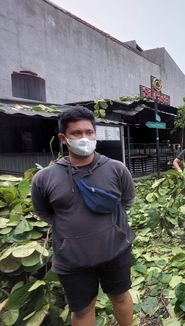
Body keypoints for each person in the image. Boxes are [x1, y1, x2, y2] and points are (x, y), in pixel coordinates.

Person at [31, 106, 135, 326]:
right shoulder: (44, 178)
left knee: (121, 297)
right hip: (73, 260)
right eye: (77, 133)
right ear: (63, 137)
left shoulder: (116, 169)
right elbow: (44, 212)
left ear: (95, 134)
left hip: (115, 251)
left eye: (89, 132)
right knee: (82, 310)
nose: (84, 138)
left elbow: (127, 202)